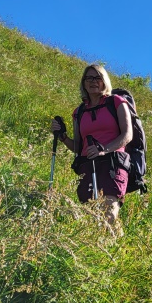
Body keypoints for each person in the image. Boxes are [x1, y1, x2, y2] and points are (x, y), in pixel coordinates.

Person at [51, 64, 133, 238]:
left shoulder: (117, 102)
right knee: (91, 213)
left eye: (98, 78)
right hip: (87, 165)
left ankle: (112, 246)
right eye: (89, 78)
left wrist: (104, 150)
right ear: (83, 82)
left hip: (113, 163)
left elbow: (127, 135)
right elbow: (78, 147)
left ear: (105, 81)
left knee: (109, 210)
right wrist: (62, 137)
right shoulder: (79, 112)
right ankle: (113, 245)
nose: (93, 81)